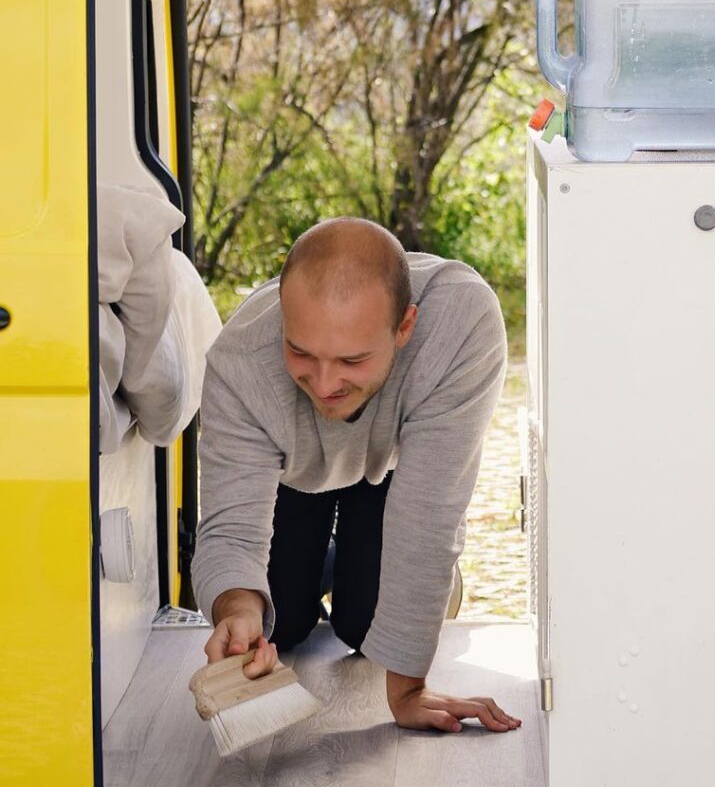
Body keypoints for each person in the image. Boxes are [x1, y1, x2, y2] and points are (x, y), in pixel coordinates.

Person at [190, 217, 522, 735]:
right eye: (300, 352)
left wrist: (408, 690)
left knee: (366, 628)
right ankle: (323, 567)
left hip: (393, 464)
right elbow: (229, 531)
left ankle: (366, 573)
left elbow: (427, 520)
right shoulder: (240, 365)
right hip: (293, 471)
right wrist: (236, 606)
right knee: (286, 623)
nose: (323, 383)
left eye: (352, 359)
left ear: (404, 328)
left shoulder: (462, 323)